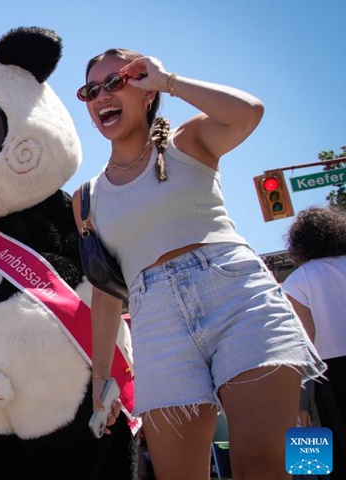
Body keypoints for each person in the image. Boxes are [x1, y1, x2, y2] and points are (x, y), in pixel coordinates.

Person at [72, 48, 325, 480]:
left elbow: (248, 112)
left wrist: (168, 80)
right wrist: (100, 379)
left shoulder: (187, 142)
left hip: (236, 297)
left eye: (116, 82)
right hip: (156, 323)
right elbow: (106, 291)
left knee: (262, 469)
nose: (102, 96)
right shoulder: (86, 199)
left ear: (145, 91)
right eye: (91, 90)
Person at [282, 205, 346, 478]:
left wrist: (298, 404)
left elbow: (303, 344)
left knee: (326, 459)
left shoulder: (298, 281)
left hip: (328, 375)